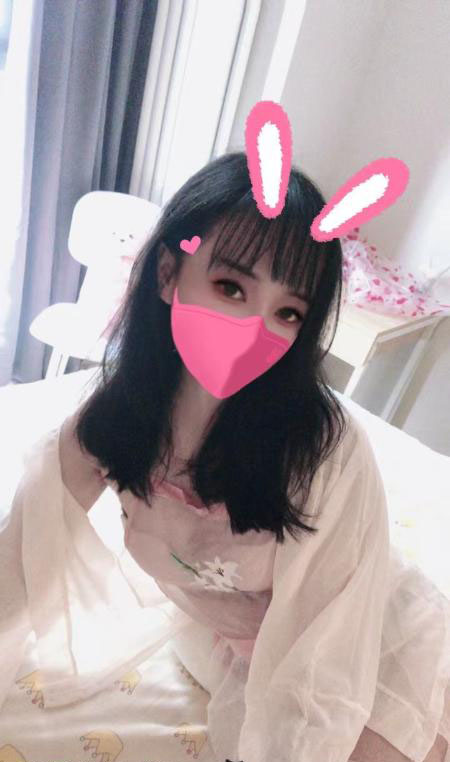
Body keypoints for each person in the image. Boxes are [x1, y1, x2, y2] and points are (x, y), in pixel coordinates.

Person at [4, 151, 450, 762]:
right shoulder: (114, 421)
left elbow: (322, 662)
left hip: (374, 640)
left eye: (287, 312)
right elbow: (21, 553)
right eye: (230, 287)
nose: (252, 327)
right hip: (233, 645)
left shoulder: (325, 451)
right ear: (168, 273)